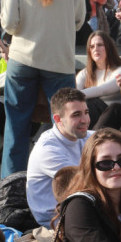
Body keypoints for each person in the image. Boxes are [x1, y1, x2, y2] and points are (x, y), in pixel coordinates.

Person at [0, 0, 86, 176]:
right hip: (59, 59)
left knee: (16, 126)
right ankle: (64, 178)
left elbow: (9, 23)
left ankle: (10, 185)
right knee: (64, 126)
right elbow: (79, 19)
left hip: (23, 58)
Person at [26, 87, 93, 228]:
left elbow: (118, 140)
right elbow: (86, 185)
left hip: (78, 208)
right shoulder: (48, 150)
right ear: (58, 119)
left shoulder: (82, 134)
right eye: (76, 115)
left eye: (86, 112)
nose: (85, 120)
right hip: (55, 221)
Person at [75, 30, 121, 124]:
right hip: (91, 112)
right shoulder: (84, 73)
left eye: (100, 45)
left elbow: (102, 90)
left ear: (108, 47)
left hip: (113, 114)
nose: (96, 49)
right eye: (92, 46)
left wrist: (72, 96)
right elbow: (76, 90)